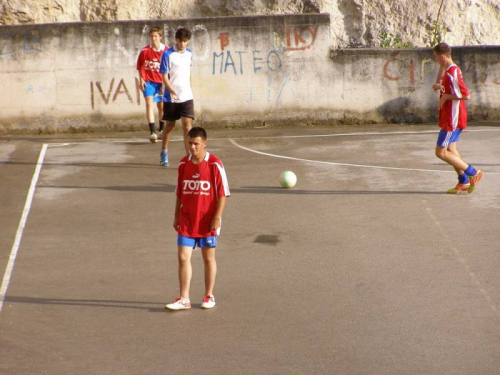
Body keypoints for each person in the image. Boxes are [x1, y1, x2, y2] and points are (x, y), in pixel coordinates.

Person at [165, 127, 230, 311]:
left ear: (204, 144)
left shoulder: (215, 164)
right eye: (190, 143)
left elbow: (223, 194)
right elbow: (179, 192)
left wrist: (217, 217)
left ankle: (209, 295)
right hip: (187, 220)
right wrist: (176, 215)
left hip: (207, 220)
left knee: (208, 258)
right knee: (183, 257)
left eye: (196, 144)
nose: (192, 147)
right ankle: (184, 298)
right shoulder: (183, 164)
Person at [432, 42, 483, 194]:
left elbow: (465, 95)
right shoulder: (449, 69)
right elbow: (449, 84)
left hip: (452, 118)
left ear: (442, 56)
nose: (435, 60)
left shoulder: (451, 72)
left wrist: (445, 96)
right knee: (451, 149)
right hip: (454, 116)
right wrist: (441, 87)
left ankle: (473, 172)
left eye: (436, 57)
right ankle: (464, 181)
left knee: (440, 152)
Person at [159, 27, 194, 166]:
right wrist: (171, 90)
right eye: (180, 41)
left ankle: (189, 157)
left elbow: (188, 73)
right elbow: (164, 76)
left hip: (187, 95)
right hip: (171, 97)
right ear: (176, 40)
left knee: (188, 125)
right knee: (170, 125)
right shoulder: (167, 54)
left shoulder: (189, 54)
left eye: (185, 41)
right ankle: (164, 150)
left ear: (188, 41)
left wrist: (189, 88)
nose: (182, 44)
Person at [136, 27, 167, 143]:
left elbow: (169, 68)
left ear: (160, 37)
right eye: (152, 36)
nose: (153, 38)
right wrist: (141, 79)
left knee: (161, 106)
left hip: (161, 82)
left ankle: (162, 130)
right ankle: (152, 132)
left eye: (156, 36)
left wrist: (166, 83)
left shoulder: (166, 51)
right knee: (149, 103)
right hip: (149, 81)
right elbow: (139, 66)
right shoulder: (144, 51)